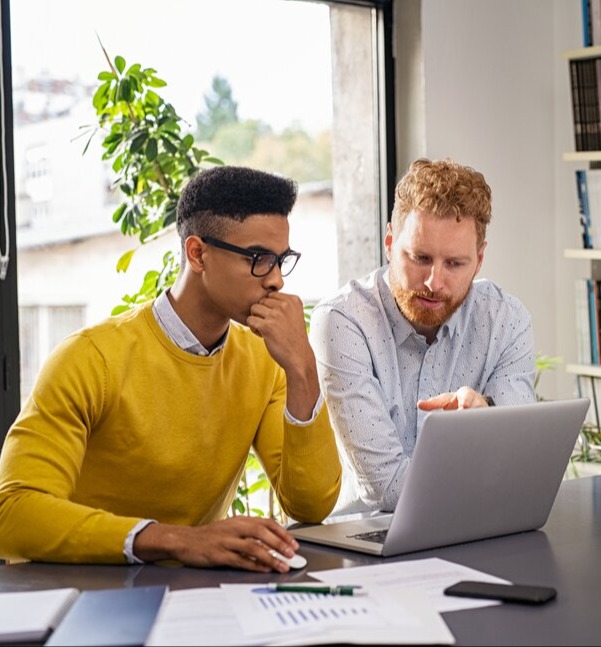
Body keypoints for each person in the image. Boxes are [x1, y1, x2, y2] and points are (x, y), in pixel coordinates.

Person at [0, 165, 341, 572]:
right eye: (258, 259)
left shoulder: (264, 360)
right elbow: (13, 513)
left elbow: (311, 504)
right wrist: (175, 540)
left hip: (196, 596)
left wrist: (302, 368)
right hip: (84, 588)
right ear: (197, 254)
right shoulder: (89, 358)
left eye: (281, 260)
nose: (276, 281)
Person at [309, 157, 536, 514]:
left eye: (455, 264)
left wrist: (488, 413)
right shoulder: (342, 321)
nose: (434, 282)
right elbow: (387, 488)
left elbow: (520, 463)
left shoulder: (507, 320)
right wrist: (486, 452)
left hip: (472, 531)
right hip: (364, 542)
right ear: (389, 243)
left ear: (478, 261)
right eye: (420, 257)